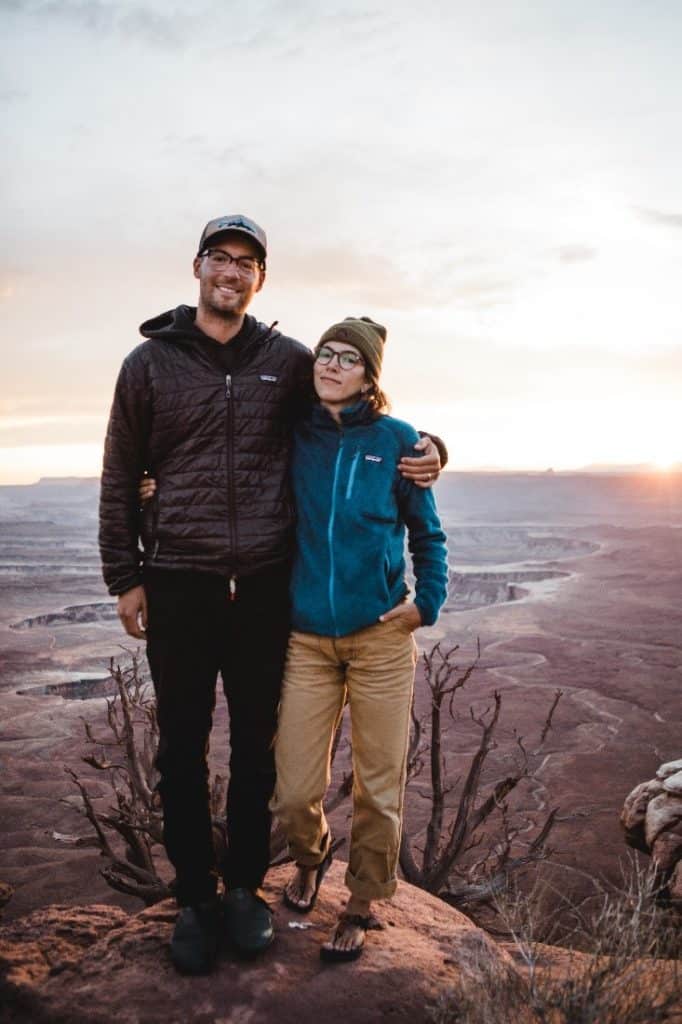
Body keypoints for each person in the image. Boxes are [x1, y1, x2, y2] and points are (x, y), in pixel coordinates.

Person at [98, 215, 443, 974]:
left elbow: (354, 413)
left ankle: (247, 889)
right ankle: (195, 898)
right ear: (196, 267)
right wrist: (124, 576)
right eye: (219, 257)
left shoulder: (286, 361)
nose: (230, 270)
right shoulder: (148, 366)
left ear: (261, 279)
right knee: (181, 750)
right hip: (180, 581)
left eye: (245, 262)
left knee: (259, 749)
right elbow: (122, 473)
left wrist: (429, 450)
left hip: (261, 587)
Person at [271, 317, 448, 962]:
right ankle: (310, 856)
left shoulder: (397, 440)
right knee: (292, 787)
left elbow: (428, 536)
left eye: (349, 358)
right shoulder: (294, 432)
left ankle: (362, 902)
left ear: (370, 376)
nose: (332, 364)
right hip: (307, 639)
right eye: (326, 353)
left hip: (379, 641)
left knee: (379, 784)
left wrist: (424, 606)